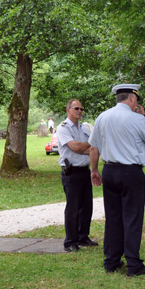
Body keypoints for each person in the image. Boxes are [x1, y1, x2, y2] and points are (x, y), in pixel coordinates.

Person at [89, 84, 145, 277]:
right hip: (130, 172)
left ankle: (111, 261)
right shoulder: (137, 119)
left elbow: (93, 147)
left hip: (110, 170)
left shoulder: (102, 117)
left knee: (113, 218)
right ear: (131, 99)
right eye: (136, 100)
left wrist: (94, 170)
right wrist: (144, 118)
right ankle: (133, 264)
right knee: (132, 218)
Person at [57, 99, 97, 252]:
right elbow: (76, 147)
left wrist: (86, 147)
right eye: (76, 108)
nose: (79, 111)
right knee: (73, 208)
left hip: (84, 170)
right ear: (68, 110)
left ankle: (83, 237)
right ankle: (70, 241)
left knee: (87, 206)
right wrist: (89, 144)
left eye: (81, 108)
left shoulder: (84, 128)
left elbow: (90, 149)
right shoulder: (63, 128)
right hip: (71, 172)